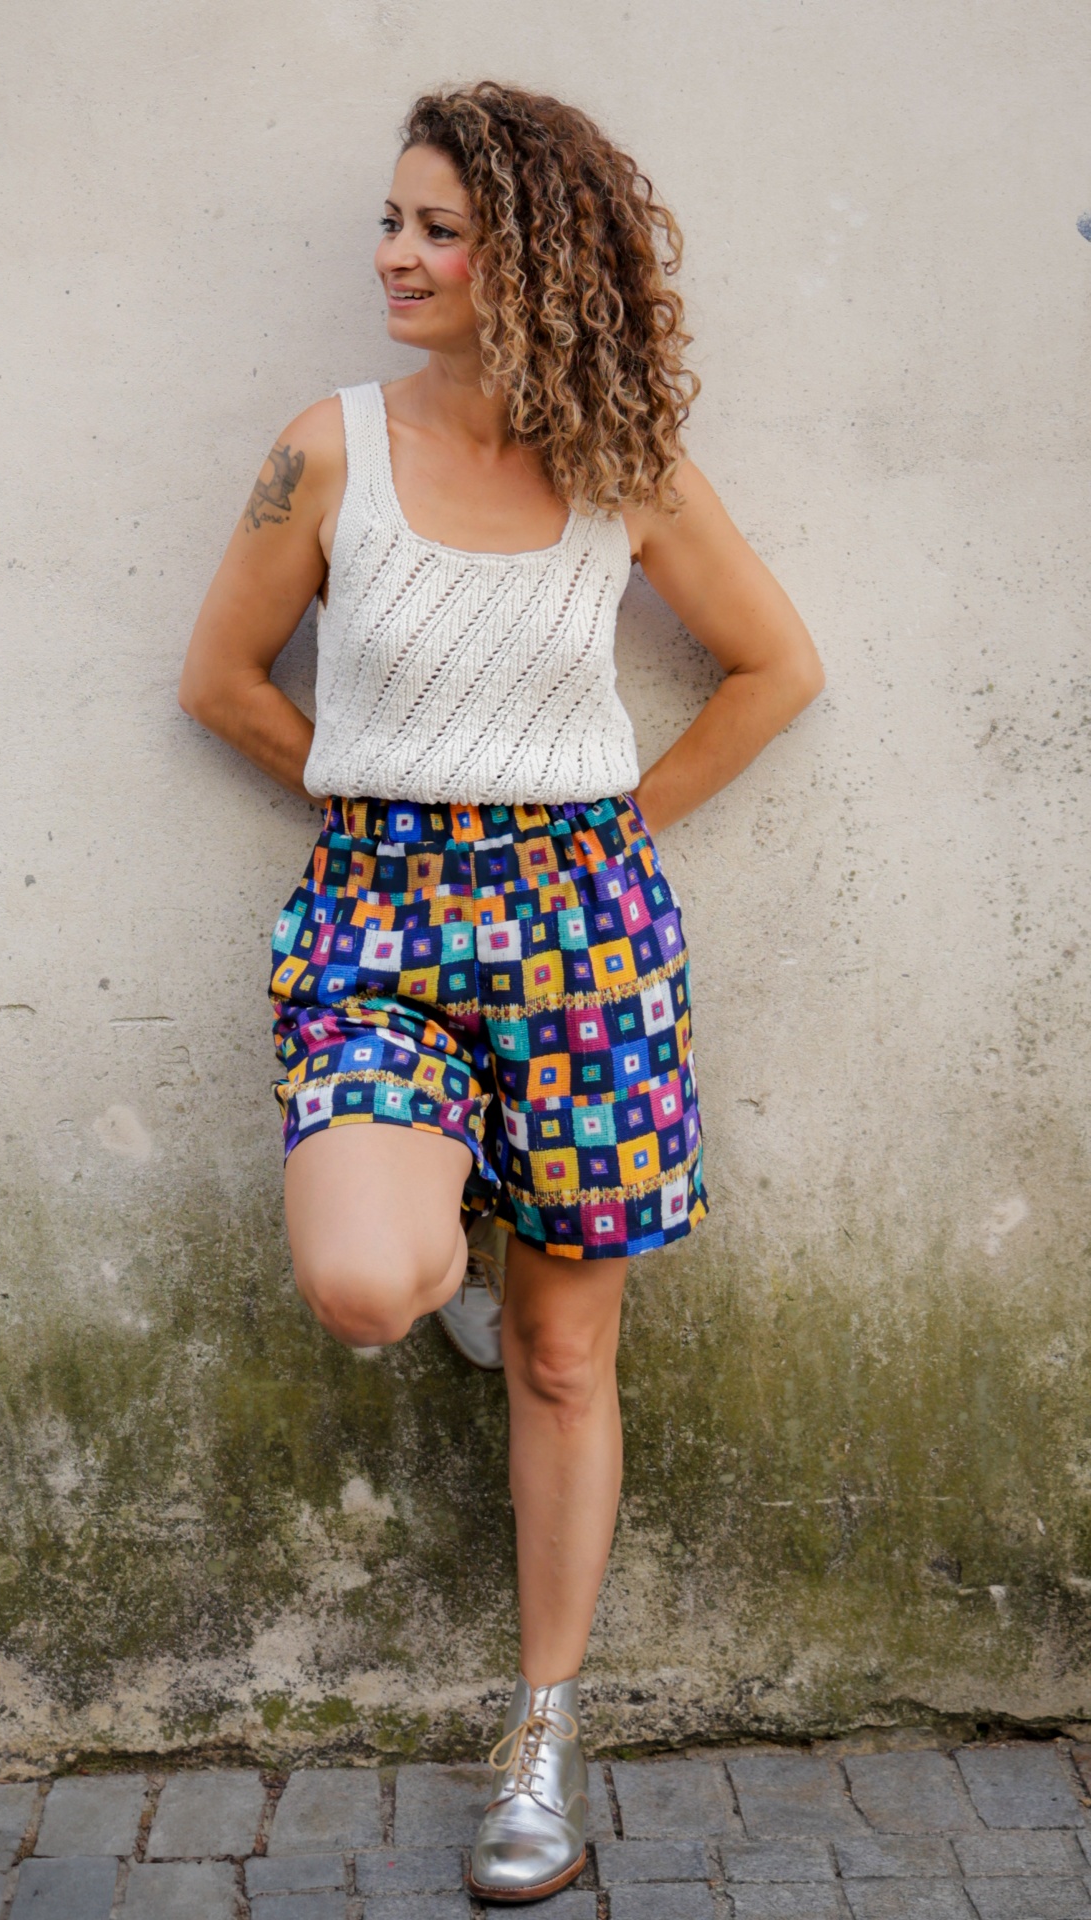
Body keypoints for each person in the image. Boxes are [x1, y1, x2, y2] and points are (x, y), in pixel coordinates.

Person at [179, 81, 822, 1904]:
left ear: (529, 255)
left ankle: (540, 1733)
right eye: (393, 222)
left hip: (587, 937)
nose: (397, 255)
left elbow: (774, 668)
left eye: (439, 229)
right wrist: (369, 800)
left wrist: (609, 833)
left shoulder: (626, 462)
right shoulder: (327, 452)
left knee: (562, 1354)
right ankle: (450, 1237)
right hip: (379, 922)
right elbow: (219, 679)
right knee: (369, 1283)